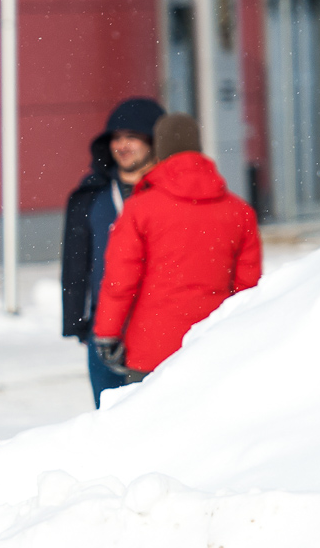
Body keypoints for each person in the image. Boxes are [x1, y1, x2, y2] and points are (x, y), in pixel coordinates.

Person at [92, 113, 263, 379]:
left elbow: (120, 280)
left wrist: (107, 333)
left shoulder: (140, 208)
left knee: (151, 420)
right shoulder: (240, 212)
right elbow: (246, 288)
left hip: (152, 348)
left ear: (159, 150)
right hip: (214, 346)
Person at [60, 97, 165, 407]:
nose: (122, 145)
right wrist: (77, 320)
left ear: (154, 141)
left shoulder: (170, 196)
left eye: (133, 136)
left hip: (158, 328)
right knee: (108, 420)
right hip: (104, 330)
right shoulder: (92, 196)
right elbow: (76, 262)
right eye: (117, 138)